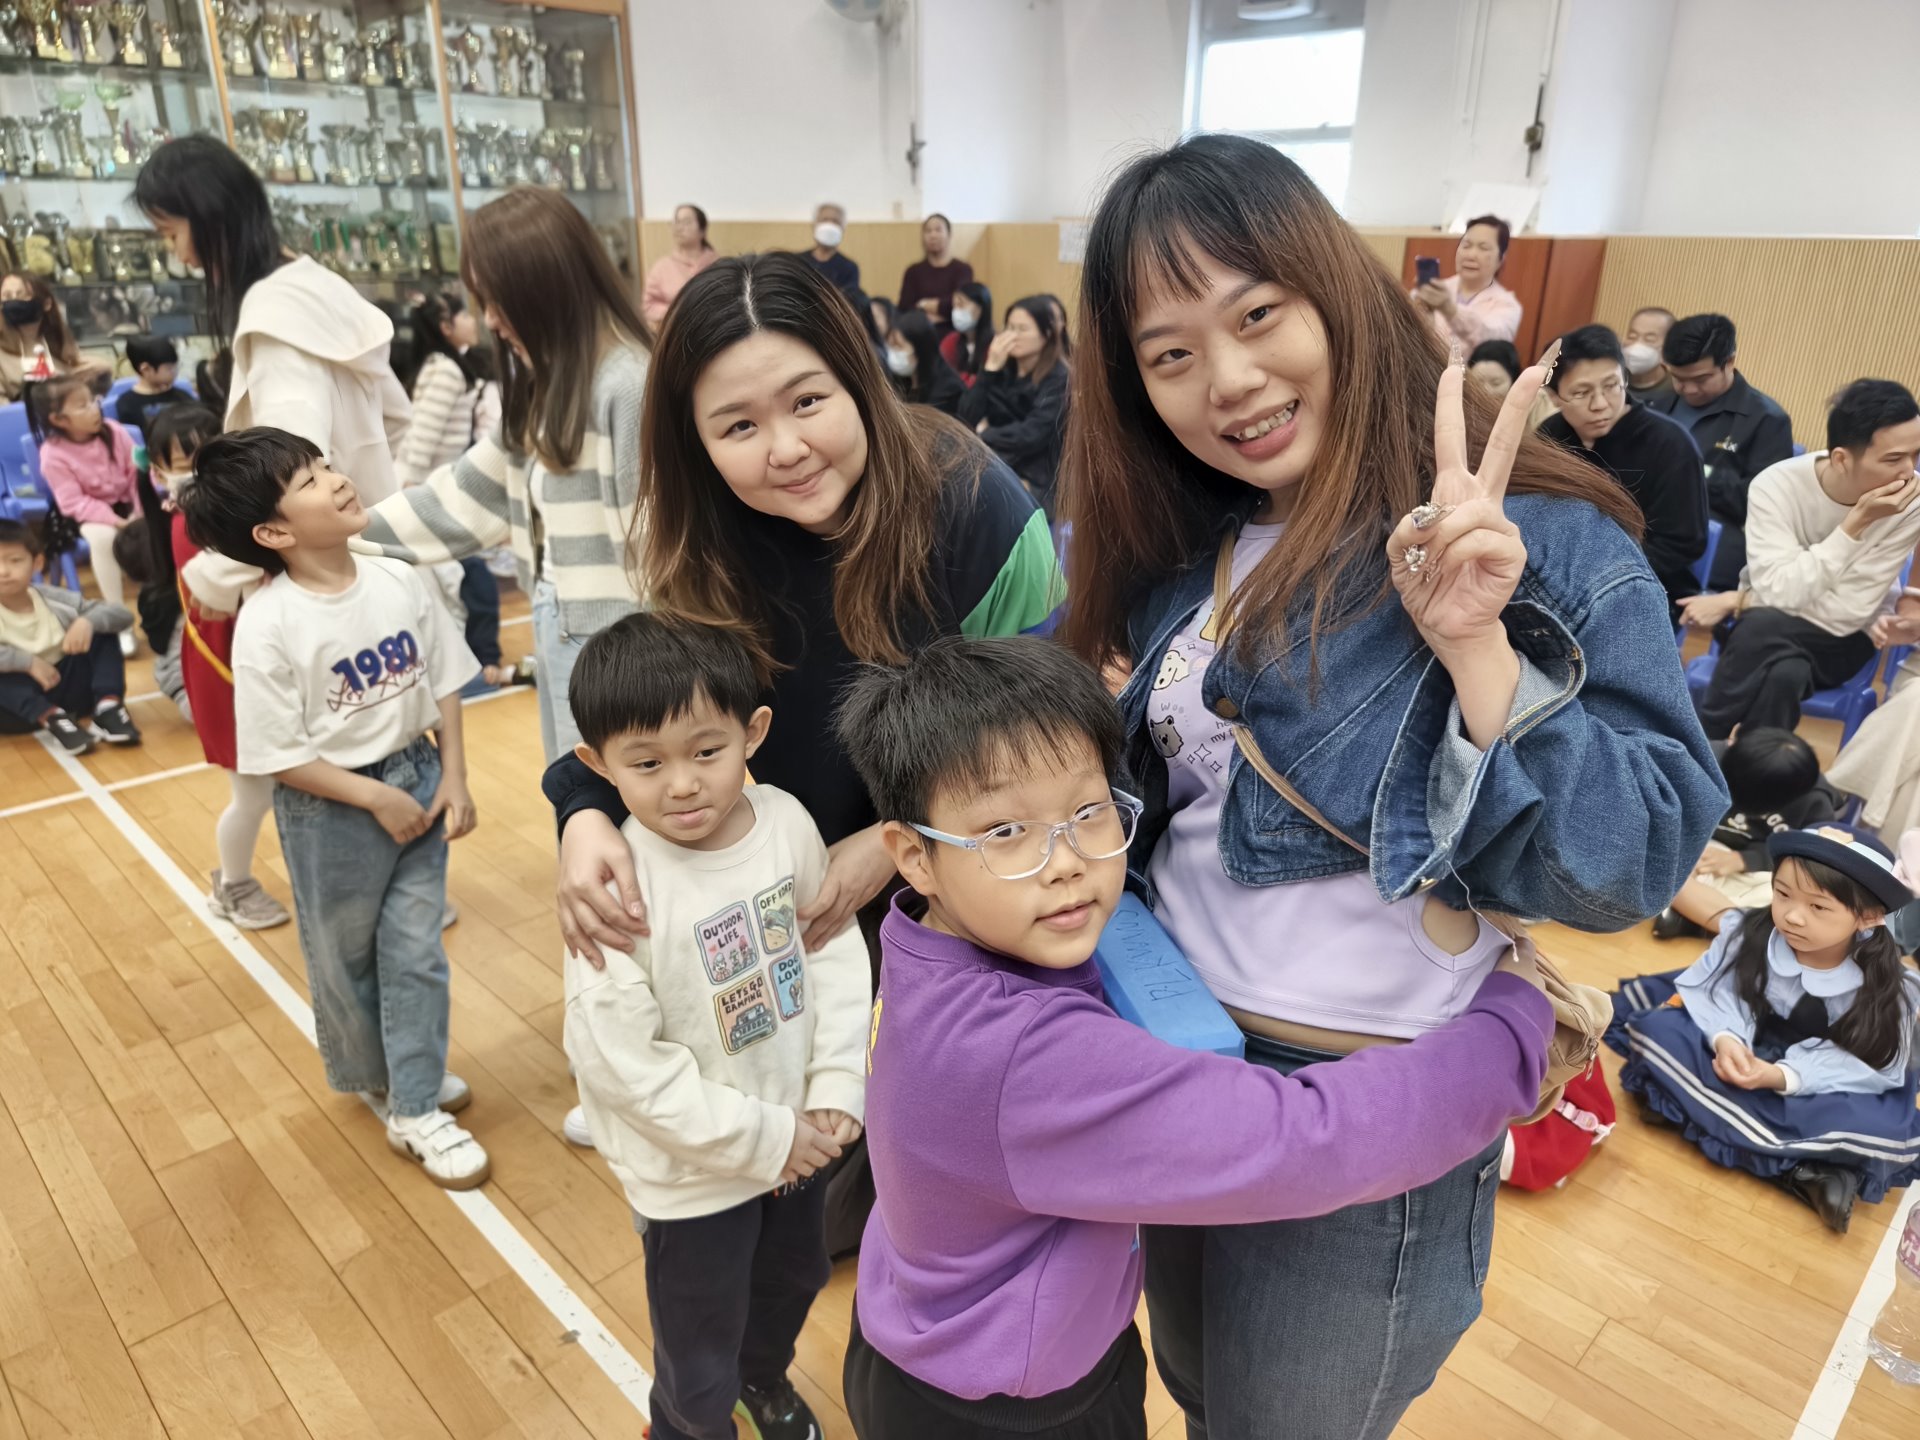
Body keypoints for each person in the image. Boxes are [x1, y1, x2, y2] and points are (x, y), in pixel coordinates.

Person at [1058, 134, 1727, 1439]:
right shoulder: (1184, 551)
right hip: (1176, 1062)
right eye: (1170, 354)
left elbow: (1632, 865)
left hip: (1362, 1111)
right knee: (1198, 1393)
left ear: (1335, 293)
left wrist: (1480, 650)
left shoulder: (1532, 535)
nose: (1229, 380)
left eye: (1258, 314)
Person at [836, 635, 1554, 1439]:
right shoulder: (1018, 1055)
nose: (1065, 861)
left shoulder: (923, 942)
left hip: (923, 1333)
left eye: (1087, 812)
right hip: (1006, 1412)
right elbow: (1303, 1142)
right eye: (1005, 832)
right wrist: (1512, 1026)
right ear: (915, 857)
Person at [542, 251, 1064, 1241]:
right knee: (791, 1178)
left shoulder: (977, 505)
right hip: (783, 886)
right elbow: (647, 720)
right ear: (695, 442)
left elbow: (1036, 735)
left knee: (940, 1149)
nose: (784, 449)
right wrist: (583, 813)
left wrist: (895, 843)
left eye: (808, 401)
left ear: (857, 378)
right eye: (737, 426)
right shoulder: (693, 538)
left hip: (954, 862)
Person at [564, 613, 870, 1440]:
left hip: (802, 1140)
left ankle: (761, 1380)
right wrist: (767, 1136)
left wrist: (837, 1081)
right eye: (646, 763)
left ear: (752, 733)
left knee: (793, 1279)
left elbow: (831, 950)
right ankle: (688, 1427)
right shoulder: (615, 888)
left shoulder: (786, 823)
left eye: (707, 751)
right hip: (696, 1178)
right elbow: (627, 1069)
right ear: (596, 764)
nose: (683, 784)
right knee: (696, 1349)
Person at [177, 427, 488, 1187]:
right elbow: (279, 755)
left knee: (414, 953)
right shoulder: (269, 623)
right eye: (309, 480)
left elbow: (444, 678)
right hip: (333, 809)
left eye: (325, 465)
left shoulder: (397, 577)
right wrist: (374, 797)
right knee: (344, 962)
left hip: (415, 781)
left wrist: (453, 775)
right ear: (273, 533)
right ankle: (384, 1074)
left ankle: (414, 1101)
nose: (337, 479)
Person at [360, 185, 650, 766]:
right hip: (560, 622)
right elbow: (461, 500)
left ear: (550, 288)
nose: (490, 320)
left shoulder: (627, 384)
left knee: (612, 800)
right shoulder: (548, 387)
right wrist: (337, 533)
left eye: (500, 300)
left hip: (624, 645)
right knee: (575, 791)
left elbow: (659, 554)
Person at [1609, 824, 1920, 1232]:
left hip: (1822, 1076)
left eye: (1819, 907)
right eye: (1783, 894)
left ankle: (1695, 1111)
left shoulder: (1889, 988)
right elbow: (1721, 993)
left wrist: (1782, 1076)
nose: (1792, 915)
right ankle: (1805, 1170)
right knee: (1660, 1031)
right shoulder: (1750, 933)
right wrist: (1726, 1040)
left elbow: (1865, 1062)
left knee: (1876, 1124)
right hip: (1747, 1040)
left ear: (1868, 916)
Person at [135, 135, 412, 506]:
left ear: (210, 217)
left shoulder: (274, 313)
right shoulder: (315, 282)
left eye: (171, 233)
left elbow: (289, 470)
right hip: (369, 517)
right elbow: (397, 416)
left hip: (325, 533)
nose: (178, 254)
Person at [1684, 379, 1920, 739]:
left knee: (1762, 627)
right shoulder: (1776, 486)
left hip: (1844, 639)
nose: (1908, 471)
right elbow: (1779, 591)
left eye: (1915, 455)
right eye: (1893, 459)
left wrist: (1742, 599)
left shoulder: (1911, 503)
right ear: (1841, 459)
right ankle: (1748, 771)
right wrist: (1854, 525)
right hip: (1765, 626)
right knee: (1786, 674)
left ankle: (1704, 744)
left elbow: (1848, 612)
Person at [155, 403, 292, 930]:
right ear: (159, 470)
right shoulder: (188, 521)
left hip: (259, 653)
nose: (197, 469)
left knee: (290, 783)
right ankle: (232, 886)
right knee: (253, 791)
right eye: (183, 461)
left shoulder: (234, 501)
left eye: (207, 454)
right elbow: (225, 581)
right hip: (223, 663)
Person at [1537, 324, 1708, 618]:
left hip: (1646, 589)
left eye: (1611, 386)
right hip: (1559, 586)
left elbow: (1681, 544)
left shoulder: (1670, 444)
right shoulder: (1550, 438)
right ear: (1553, 396)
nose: (1600, 404)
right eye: (1581, 392)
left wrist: (1597, 579)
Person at [391, 292, 506, 687]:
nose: (475, 321)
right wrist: (411, 492)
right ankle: (474, 667)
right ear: (445, 326)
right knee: (465, 581)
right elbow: (422, 436)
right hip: (430, 490)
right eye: (464, 315)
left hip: (436, 487)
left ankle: (473, 664)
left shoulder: (445, 364)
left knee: (460, 582)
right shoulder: (446, 371)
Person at [1644, 313, 1794, 589]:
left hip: (1709, 535)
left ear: (1730, 362)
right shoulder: (1655, 405)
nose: (1688, 389)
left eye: (1701, 379)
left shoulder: (1766, 419)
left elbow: (1762, 503)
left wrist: (1696, 473)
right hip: (1645, 522)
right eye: (1678, 378)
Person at [1651, 727, 1841, 938]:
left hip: (1760, 867)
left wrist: (1744, 860)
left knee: (1796, 893)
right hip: (1699, 850)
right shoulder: (1701, 761)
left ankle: (1697, 917)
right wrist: (1687, 846)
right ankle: (1735, 927)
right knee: (1661, 866)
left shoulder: (1814, 800)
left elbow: (1805, 855)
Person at [0, 517, 139, 753]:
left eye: (15, 561)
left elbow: (122, 615)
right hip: (20, 710)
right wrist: (28, 663)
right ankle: (53, 718)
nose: (4, 571)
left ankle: (108, 708)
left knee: (101, 630)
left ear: (37, 563)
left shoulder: (53, 598)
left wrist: (87, 621)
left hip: (71, 690)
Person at [29, 372, 140, 644]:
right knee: (103, 538)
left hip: (126, 503)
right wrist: (116, 521)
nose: (94, 409)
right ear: (59, 420)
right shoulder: (53, 454)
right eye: (82, 406)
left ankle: (164, 604)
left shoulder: (114, 431)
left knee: (157, 523)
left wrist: (139, 512)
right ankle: (118, 618)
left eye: (93, 401)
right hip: (82, 515)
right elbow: (74, 503)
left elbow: (137, 476)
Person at [958, 296, 1070, 516]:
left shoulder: (1059, 377)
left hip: (1039, 475)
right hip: (996, 460)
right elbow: (965, 417)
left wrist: (983, 434)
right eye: (1009, 327)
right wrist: (989, 369)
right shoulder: (1001, 368)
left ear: (1047, 334)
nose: (1012, 335)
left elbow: (1032, 434)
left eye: (1022, 329)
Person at [1409, 215, 1522, 349]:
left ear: (1500, 260)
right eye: (1466, 245)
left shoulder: (1507, 305)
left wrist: (1450, 309)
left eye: (1483, 248)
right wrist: (1419, 309)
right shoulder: (1435, 291)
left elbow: (1493, 341)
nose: (1471, 255)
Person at [1, 272, 95, 401]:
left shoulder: (61, 346)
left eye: (22, 294)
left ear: (46, 303)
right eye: (7, 296)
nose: (14, 301)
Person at [644, 203, 719, 327]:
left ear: (702, 230)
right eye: (676, 222)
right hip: (675, 332)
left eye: (686, 222)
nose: (679, 228)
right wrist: (676, 313)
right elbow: (649, 305)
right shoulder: (661, 267)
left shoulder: (718, 264)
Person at [897, 213, 973, 329]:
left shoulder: (962, 269)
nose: (933, 235)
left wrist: (923, 304)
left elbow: (958, 304)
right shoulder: (913, 271)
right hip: (919, 331)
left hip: (954, 330)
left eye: (938, 230)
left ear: (949, 234)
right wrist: (930, 317)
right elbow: (904, 308)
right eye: (928, 231)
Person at [882, 311, 963, 417]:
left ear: (920, 349)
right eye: (891, 346)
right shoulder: (901, 379)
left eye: (899, 347)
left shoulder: (947, 389)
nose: (893, 352)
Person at [114, 335, 195, 433]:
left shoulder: (183, 396)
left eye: (176, 366)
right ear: (146, 369)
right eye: (169, 368)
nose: (175, 372)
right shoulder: (127, 404)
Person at [940, 280, 993, 384]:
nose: (956, 311)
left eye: (961, 305)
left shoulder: (995, 345)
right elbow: (942, 377)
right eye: (954, 306)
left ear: (981, 308)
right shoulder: (950, 342)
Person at [804, 202, 860, 299]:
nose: (829, 226)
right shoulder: (798, 261)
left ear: (843, 228)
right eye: (824, 220)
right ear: (814, 225)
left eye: (835, 221)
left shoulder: (849, 268)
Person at [1623, 305, 1675, 404]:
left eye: (1649, 339)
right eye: (1632, 336)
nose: (1637, 345)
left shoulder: (1677, 390)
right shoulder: (1612, 382)